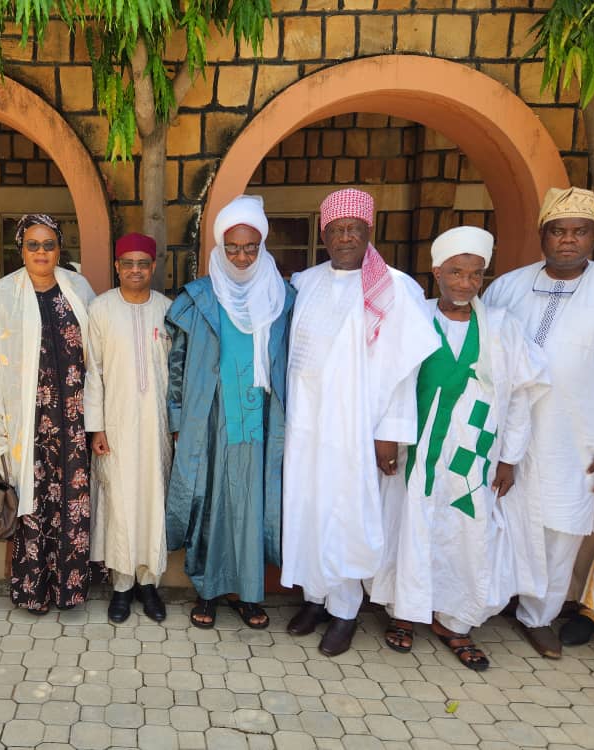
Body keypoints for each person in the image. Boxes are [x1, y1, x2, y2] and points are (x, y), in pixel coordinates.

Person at [369, 226, 549, 670]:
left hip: (474, 455)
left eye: (475, 275)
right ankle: (405, 612)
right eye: (456, 272)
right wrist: (386, 437)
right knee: (408, 526)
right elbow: (391, 383)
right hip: (419, 454)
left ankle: (454, 621)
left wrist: (510, 456)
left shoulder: (502, 329)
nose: (465, 283)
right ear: (436, 272)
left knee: (466, 535)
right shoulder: (416, 318)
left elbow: (521, 396)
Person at [281, 188, 439, 657]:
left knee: (346, 514)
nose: (345, 237)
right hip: (306, 423)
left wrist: (388, 433)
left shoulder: (395, 287)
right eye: (336, 230)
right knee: (308, 507)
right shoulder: (305, 282)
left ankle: (345, 610)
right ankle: (313, 598)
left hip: (356, 427)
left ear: (369, 231)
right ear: (324, 235)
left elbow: (405, 371)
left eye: (354, 229)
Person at [483, 187, 594, 658]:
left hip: (578, 439)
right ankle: (494, 597)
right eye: (558, 231)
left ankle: (539, 617)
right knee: (503, 517)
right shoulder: (508, 287)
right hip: (507, 434)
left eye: (579, 232)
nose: (567, 241)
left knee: (560, 528)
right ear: (542, 234)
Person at [165, 195, 294, 630]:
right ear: (220, 248)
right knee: (211, 502)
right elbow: (177, 365)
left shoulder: (283, 299)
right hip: (212, 422)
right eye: (233, 247)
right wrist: (179, 422)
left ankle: (249, 593)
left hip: (261, 422)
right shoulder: (199, 297)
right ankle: (208, 590)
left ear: (262, 247)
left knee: (254, 505)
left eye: (250, 247)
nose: (241, 256)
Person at [0, 214, 96, 614]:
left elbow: (98, 358)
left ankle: (69, 590)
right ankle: (32, 592)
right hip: (25, 422)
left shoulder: (78, 288)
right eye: (33, 245)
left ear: (60, 249)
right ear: (21, 249)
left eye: (49, 245)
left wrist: (98, 420)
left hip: (74, 421)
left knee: (73, 501)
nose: (41, 252)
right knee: (32, 501)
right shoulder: (2, 295)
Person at [84, 233, 172, 623]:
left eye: (143, 263)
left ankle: (148, 582)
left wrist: (177, 425)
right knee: (119, 501)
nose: (135, 270)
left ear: (153, 268)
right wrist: (96, 427)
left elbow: (178, 373)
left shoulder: (168, 310)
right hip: (115, 425)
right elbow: (93, 372)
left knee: (153, 498)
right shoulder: (100, 310)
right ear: (117, 267)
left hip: (157, 428)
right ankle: (121, 585)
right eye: (128, 263)